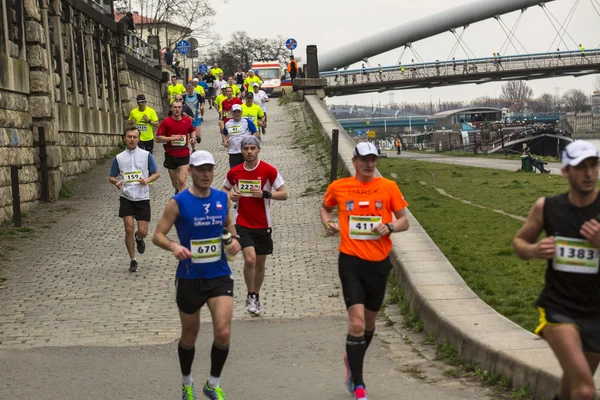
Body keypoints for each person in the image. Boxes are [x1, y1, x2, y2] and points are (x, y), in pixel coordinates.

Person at [320, 142, 409, 400]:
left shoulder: (388, 187)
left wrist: (390, 227)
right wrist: (329, 223)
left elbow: (404, 220)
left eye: (374, 160)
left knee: (369, 323)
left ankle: (352, 360)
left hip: (379, 263)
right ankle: (359, 384)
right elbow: (325, 207)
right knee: (356, 323)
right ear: (355, 160)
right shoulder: (339, 187)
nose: (370, 165)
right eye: (365, 160)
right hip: (350, 262)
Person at [513, 140, 600, 400]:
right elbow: (519, 242)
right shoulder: (547, 207)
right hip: (558, 306)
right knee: (584, 390)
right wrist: (534, 250)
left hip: (596, 311)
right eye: (580, 167)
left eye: (593, 165)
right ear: (565, 171)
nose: (588, 173)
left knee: (571, 385)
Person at [152, 150, 241, 400]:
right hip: (190, 277)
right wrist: (174, 246)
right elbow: (157, 235)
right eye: (200, 169)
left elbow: (228, 225)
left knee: (223, 332)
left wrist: (234, 240)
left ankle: (212, 384)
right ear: (190, 171)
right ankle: (187, 383)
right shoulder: (178, 202)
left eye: (210, 169)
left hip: (219, 275)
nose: (206, 174)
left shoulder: (223, 198)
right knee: (190, 335)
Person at [222, 135, 288, 316]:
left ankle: (255, 295)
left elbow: (284, 193)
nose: (249, 152)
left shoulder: (268, 170)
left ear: (258, 149)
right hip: (242, 222)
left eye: (252, 148)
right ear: (241, 151)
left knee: (260, 264)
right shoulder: (234, 172)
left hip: (263, 224)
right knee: (249, 259)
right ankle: (250, 295)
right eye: (246, 149)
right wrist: (230, 197)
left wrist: (265, 195)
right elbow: (224, 190)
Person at [109, 127, 160, 272]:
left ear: (138, 139)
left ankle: (139, 238)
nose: (132, 139)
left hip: (142, 197)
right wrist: (116, 182)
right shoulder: (119, 157)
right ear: (124, 138)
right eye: (129, 137)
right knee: (128, 228)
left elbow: (156, 173)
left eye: (134, 137)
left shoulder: (146, 155)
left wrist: (147, 180)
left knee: (143, 231)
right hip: (126, 197)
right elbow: (112, 176)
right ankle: (133, 260)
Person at [157, 100, 197, 194]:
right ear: (171, 109)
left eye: (179, 107)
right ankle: (177, 189)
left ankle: (182, 200)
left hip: (184, 154)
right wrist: (171, 138)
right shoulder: (166, 122)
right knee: (175, 182)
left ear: (181, 109)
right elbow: (158, 138)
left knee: (182, 181)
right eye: (175, 107)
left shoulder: (186, 120)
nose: (177, 109)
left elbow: (192, 130)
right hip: (170, 154)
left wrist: (193, 138)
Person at [183, 84, 203, 151]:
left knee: (197, 135)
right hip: (188, 118)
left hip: (196, 117)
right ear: (187, 90)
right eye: (189, 89)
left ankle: (198, 137)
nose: (190, 91)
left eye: (191, 89)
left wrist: (200, 108)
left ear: (193, 89)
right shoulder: (184, 97)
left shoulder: (197, 95)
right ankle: (193, 149)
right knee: (191, 134)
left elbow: (202, 102)